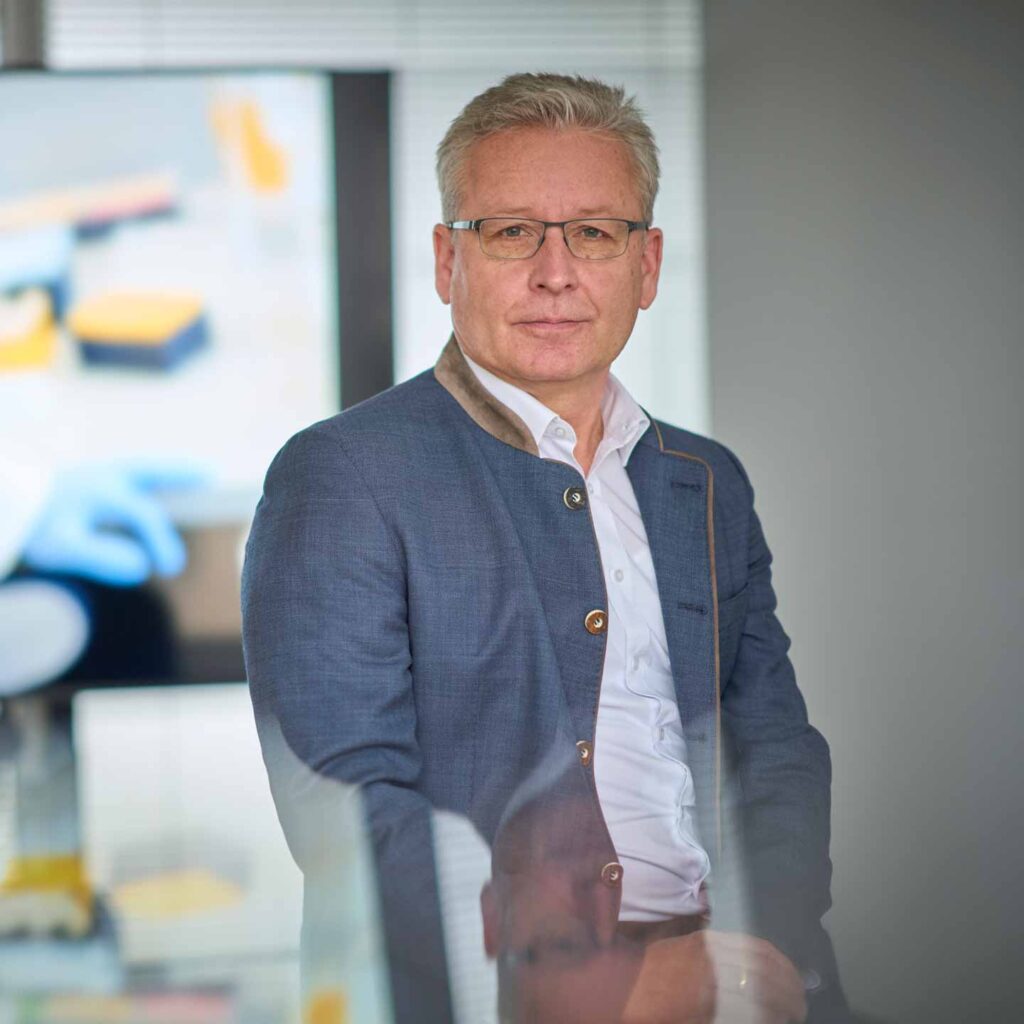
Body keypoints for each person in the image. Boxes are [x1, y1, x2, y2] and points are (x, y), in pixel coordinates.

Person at [243, 73, 847, 1023]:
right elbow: (351, 812)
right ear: (449, 261)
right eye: (512, 231)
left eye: (596, 233)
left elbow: (774, 750)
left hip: (744, 975)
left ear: (646, 267)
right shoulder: (341, 476)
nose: (556, 273)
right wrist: (601, 986)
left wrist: (765, 947)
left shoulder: (707, 480)